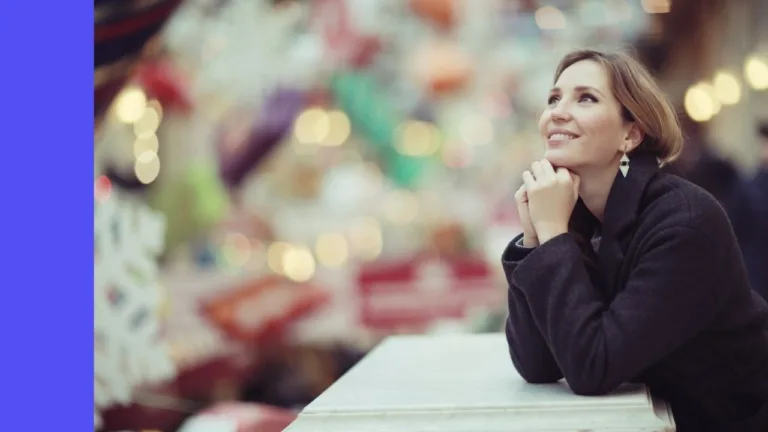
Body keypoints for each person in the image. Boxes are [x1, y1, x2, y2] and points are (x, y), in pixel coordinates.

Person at [501, 49, 768, 432]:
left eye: (586, 98)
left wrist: (555, 236)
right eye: (554, 98)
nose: (557, 111)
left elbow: (594, 366)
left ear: (631, 134)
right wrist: (534, 238)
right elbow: (537, 363)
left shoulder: (684, 221)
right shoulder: (582, 217)